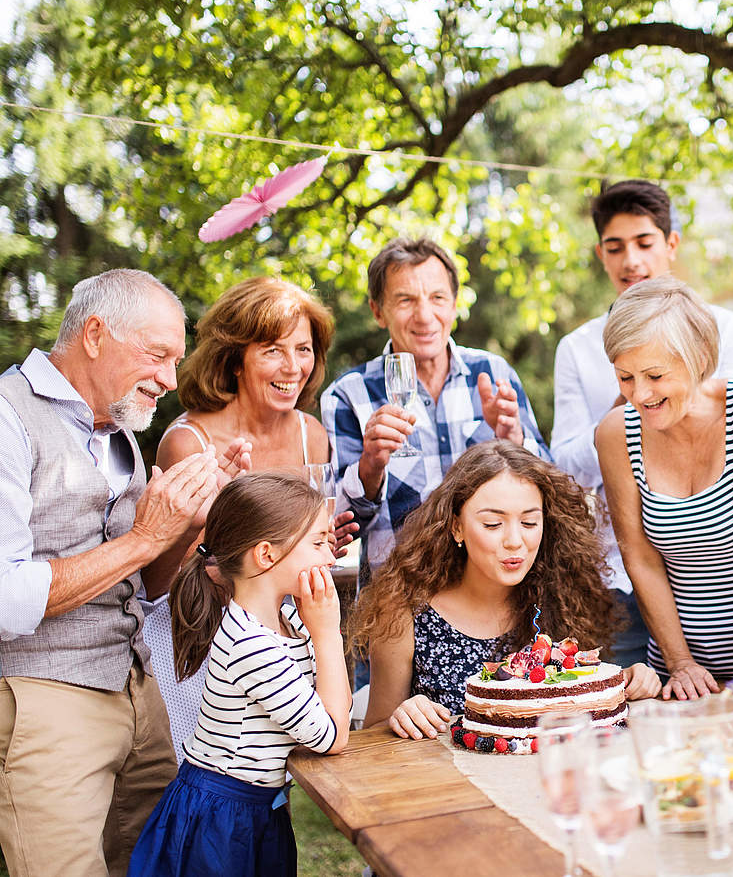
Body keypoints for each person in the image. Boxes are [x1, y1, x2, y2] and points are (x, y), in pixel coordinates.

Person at [0, 268, 248, 877]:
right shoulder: (7, 418)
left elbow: (150, 583)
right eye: (157, 355)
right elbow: (6, 597)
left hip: (139, 697)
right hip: (43, 699)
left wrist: (194, 518)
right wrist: (145, 537)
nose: (169, 379)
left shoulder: (118, 430)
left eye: (175, 359)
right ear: (93, 334)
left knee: (163, 864)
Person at [552, 180, 733, 667]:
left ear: (671, 245)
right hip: (623, 576)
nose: (631, 261)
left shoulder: (727, 330)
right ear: (600, 255)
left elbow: (729, 436)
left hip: (723, 576)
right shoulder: (577, 349)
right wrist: (628, 399)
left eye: (644, 243)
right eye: (615, 247)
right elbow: (568, 468)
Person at [145, 276, 354, 761]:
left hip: (281, 631)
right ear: (234, 357)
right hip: (199, 637)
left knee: (269, 776)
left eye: (303, 349)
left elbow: (293, 550)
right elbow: (156, 582)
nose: (293, 367)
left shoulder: (311, 436)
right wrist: (204, 527)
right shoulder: (188, 443)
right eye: (272, 350)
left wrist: (319, 547)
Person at [595, 278, 733, 700]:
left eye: (655, 375)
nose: (640, 394)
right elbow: (639, 558)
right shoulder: (615, 435)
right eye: (625, 377)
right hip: (681, 660)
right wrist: (679, 661)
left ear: (698, 358)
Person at [351, 440, 661, 737]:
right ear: (456, 526)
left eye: (529, 524)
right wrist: (402, 716)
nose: (514, 541)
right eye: (492, 525)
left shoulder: (562, 597)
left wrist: (628, 683)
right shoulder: (405, 612)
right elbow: (375, 735)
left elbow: (581, 702)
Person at [128, 472, 350, 877]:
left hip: (255, 807)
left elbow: (325, 702)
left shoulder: (284, 621)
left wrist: (315, 630)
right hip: (223, 820)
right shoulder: (252, 646)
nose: (330, 558)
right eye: (318, 543)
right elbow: (330, 735)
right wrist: (328, 633)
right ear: (266, 555)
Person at [322, 237, 550, 580]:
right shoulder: (348, 394)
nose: (425, 315)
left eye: (437, 298)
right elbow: (339, 529)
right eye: (405, 300)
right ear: (377, 311)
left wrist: (515, 442)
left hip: (495, 597)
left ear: (455, 304)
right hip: (400, 601)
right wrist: (370, 466)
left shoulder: (493, 373)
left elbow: (550, 488)